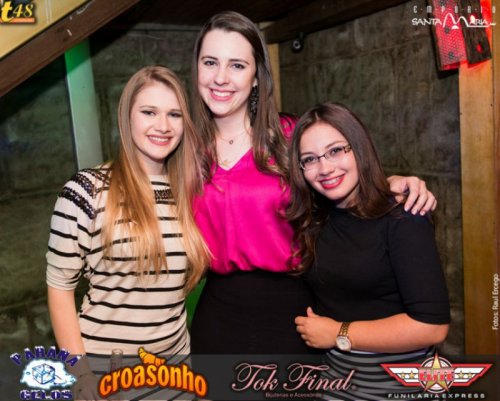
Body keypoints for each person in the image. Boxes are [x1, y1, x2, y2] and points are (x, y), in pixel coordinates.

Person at [188, 11, 437, 355]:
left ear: (256, 77)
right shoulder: (183, 151)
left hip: (294, 313)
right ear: (197, 69)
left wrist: (390, 184)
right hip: (217, 314)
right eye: (210, 62)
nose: (221, 77)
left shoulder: (290, 136)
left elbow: (339, 174)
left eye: (237, 65)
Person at [46, 66, 210, 400]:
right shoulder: (86, 190)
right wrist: (80, 374)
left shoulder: (190, 194)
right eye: (149, 112)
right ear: (127, 117)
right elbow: (60, 288)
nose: (163, 126)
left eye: (174, 114)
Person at [289, 102, 450, 400]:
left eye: (336, 150)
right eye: (309, 159)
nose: (325, 168)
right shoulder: (315, 220)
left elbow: (432, 327)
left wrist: (338, 333)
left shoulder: (403, 215)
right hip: (336, 385)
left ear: (359, 148)